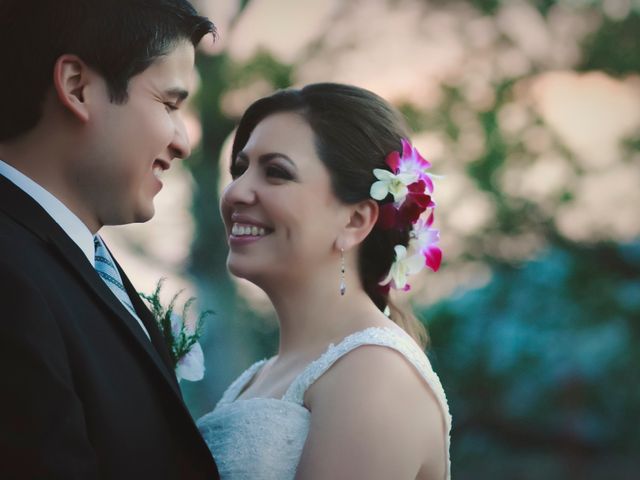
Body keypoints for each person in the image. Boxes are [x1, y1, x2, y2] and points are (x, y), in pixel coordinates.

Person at [0, 0, 219, 478]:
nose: (183, 141)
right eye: (169, 103)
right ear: (78, 87)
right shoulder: (10, 276)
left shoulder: (65, 262)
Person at [198, 83, 451, 479]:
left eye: (276, 172)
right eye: (240, 169)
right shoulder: (257, 377)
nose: (236, 191)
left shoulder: (376, 373)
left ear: (355, 220)